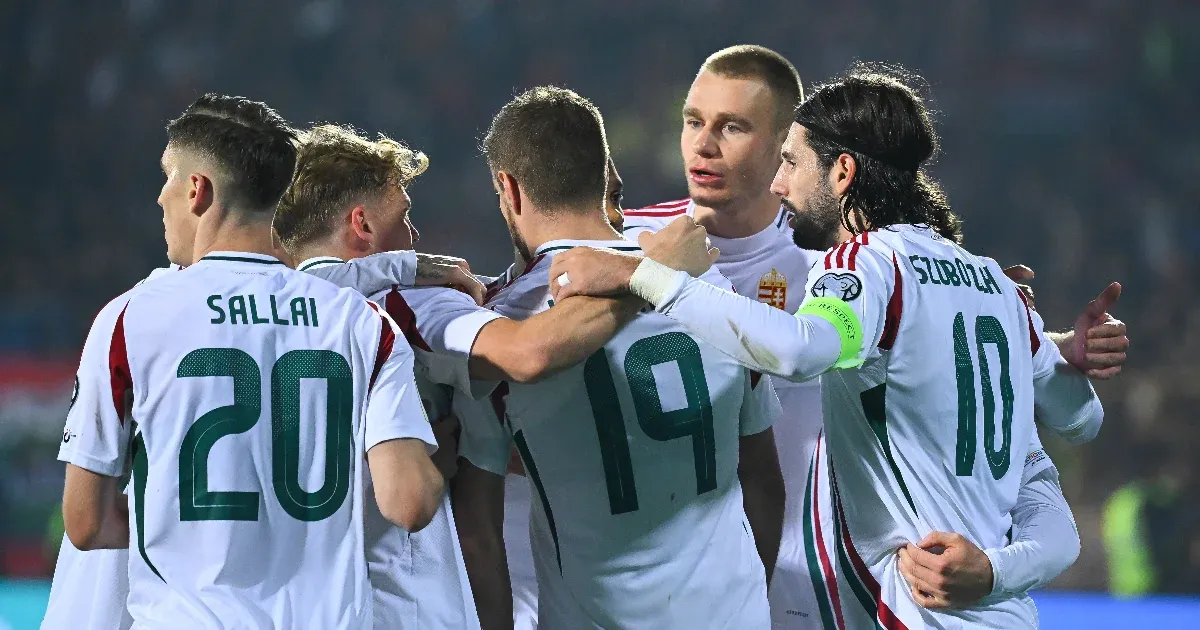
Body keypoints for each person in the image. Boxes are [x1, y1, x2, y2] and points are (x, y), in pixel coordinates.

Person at [547, 66, 1110, 628]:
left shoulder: (866, 261)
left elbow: (801, 351)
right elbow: (1080, 420)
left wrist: (647, 277)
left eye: (791, 163)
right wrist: (995, 571)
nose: (778, 185)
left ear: (842, 172)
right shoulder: (998, 288)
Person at [57, 94, 442, 629]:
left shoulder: (130, 319)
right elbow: (410, 503)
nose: (161, 197)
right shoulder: (363, 323)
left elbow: (84, 523)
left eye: (168, 178)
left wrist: (190, 526)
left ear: (197, 189)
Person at [271, 124, 643, 630]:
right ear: (362, 224)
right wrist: (651, 276)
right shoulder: (405, 305)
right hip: (400, 602)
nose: (415, 238)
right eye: (404, 217)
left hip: (289, 603)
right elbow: (529, 351)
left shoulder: (248, 327)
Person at [454, 86, 785, 630]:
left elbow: (479, 536)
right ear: (605, 173)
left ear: (508, 188)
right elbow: (763, 480)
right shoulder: (708, 283)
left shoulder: (503, 330)